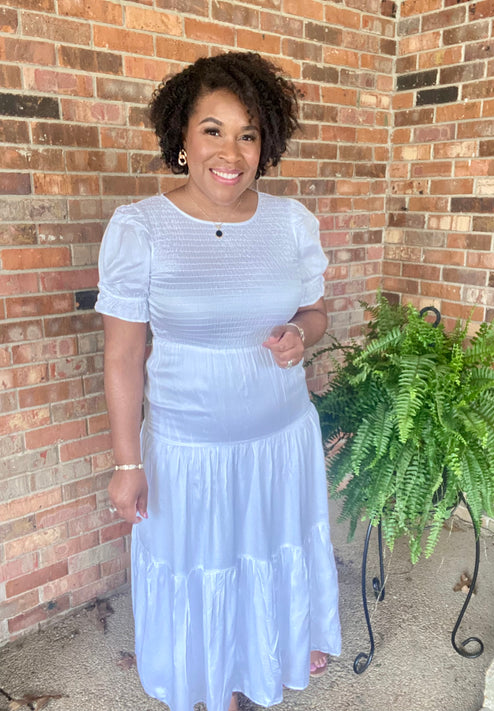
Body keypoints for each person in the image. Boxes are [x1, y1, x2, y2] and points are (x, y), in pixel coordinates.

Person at [95, 51, 341, 711]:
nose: (230, 150)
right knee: (200, 568)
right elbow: (122, 355)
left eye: (248, 133)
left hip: (278, 440)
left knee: (265, 554)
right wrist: (127, 461)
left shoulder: (291, 224)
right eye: (212, 129)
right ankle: (209, 688)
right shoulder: (141, 229)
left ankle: (258, 668)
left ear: (266, 144)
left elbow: (316, 313)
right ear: (181, 139)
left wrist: (303, 334)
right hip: (188, 450)